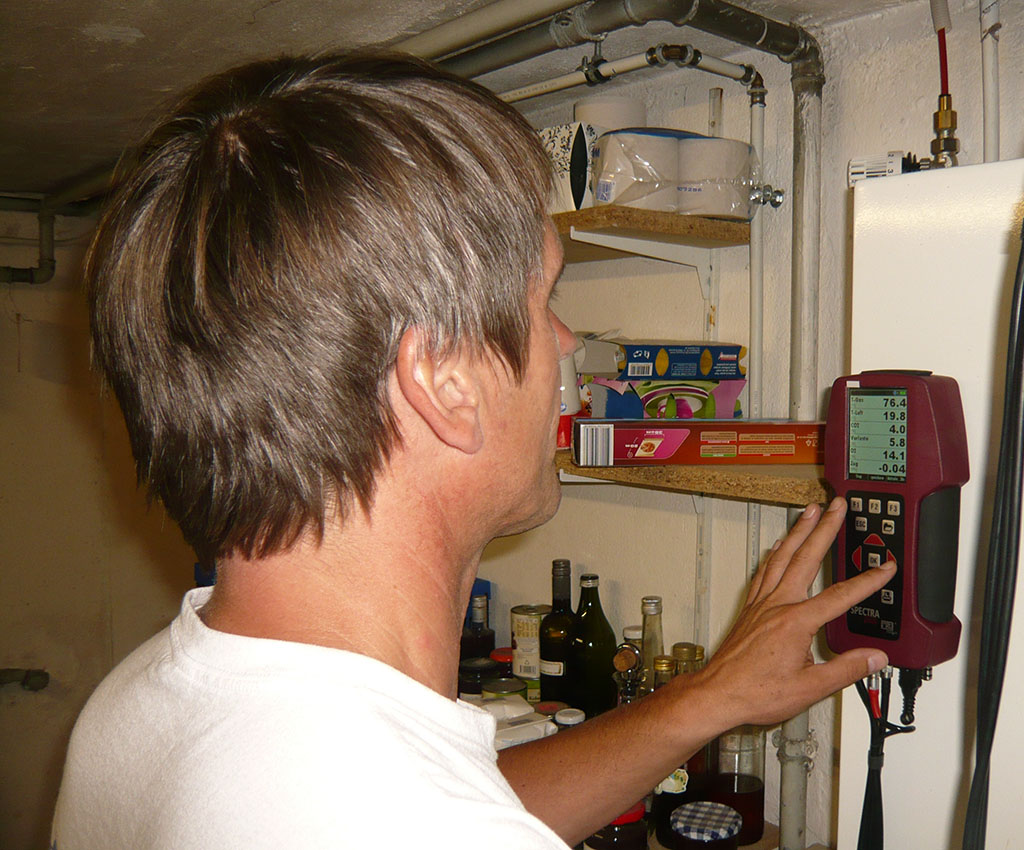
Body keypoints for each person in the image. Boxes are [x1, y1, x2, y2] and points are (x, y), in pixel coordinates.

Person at [51, 52, 894, 849]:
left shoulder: (143, 707)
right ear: (445, 383)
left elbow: (454, 798)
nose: (565, 342)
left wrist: (703, 700)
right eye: (544, 298)